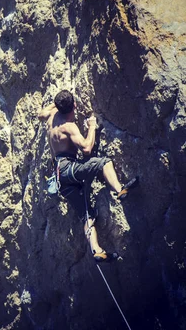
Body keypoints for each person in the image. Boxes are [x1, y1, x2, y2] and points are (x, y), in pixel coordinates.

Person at [38, 90, 138, 262]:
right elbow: (86, 149)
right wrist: (92, 127)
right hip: (68, 168)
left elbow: (40, 113)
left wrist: (58, 102)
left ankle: (96, 250)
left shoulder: (50, 117)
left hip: (59, 177)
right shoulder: (69, 127)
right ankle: (119, 190)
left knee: (87, 215)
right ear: (74, 106)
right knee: (103, 162)